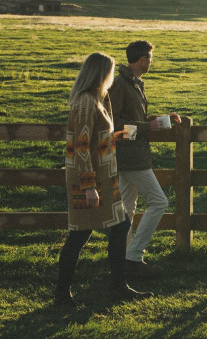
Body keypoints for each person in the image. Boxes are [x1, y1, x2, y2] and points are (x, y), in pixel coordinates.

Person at [56, 52, 153, 305]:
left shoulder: (96, 100)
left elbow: (94, 139)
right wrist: (88, 186)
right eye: (110, 72)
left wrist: (115, 137)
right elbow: (81, 146)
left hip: (103, 180)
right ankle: (63, 294)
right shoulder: (86, 102)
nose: (112, 78)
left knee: (117, 227)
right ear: (102, 74)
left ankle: (118, 286)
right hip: (90, 181)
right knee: (80, 234)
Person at [109, 40, 181, 278]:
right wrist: (146, 128)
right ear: (142, 59)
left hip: (132, 156)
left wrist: (161, 119)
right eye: (150, 58)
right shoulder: (120, 84)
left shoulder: (135, 83)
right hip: (131, 157)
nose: (152, 62)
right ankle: (133, 256)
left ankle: (121, 258)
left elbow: (136, 119)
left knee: (127, 209)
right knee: (160, 202)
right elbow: (115, 126)